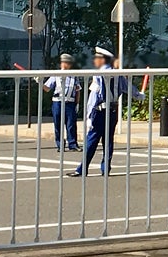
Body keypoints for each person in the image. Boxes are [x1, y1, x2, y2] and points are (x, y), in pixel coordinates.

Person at [71, 46, 136, 178]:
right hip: (113, 111)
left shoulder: (99, 74)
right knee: (108, 141)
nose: (95, 60)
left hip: (100, 111)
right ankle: (105, 169)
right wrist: (138, 94)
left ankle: (82, 169)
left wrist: (89, 116)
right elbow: (127, 87)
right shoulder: (117, 73)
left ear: (103, 60)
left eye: (97, 58)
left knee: (92, 140)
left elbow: (93, 97)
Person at [42, 54, 81, 151]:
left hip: (70, 102)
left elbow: (77, 90)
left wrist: (77, 103)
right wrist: (40, 83)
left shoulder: (74, 76)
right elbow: (47, 88)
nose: (65, 65)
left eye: (67, 63)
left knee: (71, 124)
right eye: (64, 62)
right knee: (57, 124)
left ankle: (73, 144)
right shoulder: (56, 74)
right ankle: (60, 145)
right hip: (57, 102)